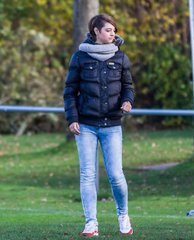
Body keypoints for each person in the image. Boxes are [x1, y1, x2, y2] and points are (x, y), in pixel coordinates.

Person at [63, 13, 135, 237]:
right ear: (96, 31)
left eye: (114, 30)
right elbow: (69, 92)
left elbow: (128, 87)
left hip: (112, 125)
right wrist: (72, 118)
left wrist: (127, 101)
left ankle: (123, 215)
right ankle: (91, 223)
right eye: (108, 30)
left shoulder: (121, 58)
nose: (113, 34)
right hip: (85, 125)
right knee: (87, 175)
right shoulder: (80, 58)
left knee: (115, 175)